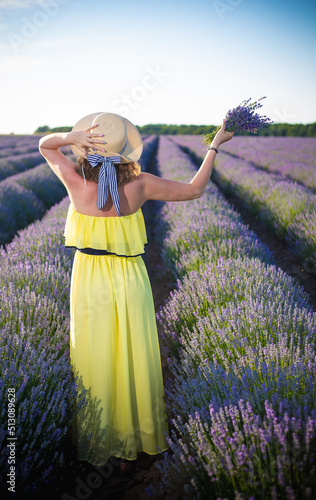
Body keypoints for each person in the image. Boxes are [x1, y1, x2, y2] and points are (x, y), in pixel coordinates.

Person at [38, 112, 234, 474]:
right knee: (133, 350)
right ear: (128, 148)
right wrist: (214, 147)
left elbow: (44, 146)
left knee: (94, 354)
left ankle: (101, 438)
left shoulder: (75, 180)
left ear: (88, 145)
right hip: (128, 276)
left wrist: (72, 136)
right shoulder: (141, 184)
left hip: (89, 279)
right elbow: (194, 190)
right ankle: (138, 437)